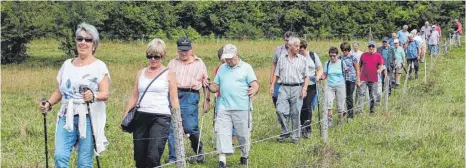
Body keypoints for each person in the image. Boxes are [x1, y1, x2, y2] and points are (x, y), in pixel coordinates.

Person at [38, 22, 110, 167]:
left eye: (88, 39)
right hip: (66, 115)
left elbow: (105, 93)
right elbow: (60, 90)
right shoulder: (67, 64)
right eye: (80, 38)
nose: (83, 42)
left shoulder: (99, 66)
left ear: (94, 45)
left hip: (89, 117)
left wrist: (93, 96)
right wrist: (49, 103)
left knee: (84, 162)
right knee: (60, 155)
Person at [123, 38, 178, 167]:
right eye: (149, 56)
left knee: (153, 156)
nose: (153, 59)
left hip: (161, 117)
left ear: (162, 56)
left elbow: (174, 99)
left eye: (156, 56)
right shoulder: (140, 73)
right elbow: (134, 96)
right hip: (141, 116)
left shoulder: (169, 74)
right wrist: (126, 114)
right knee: (140, 156)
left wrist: (178, 121)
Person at [207, 44, 259, 168]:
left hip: (242, 107)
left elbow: (255, 84)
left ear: (236, 54)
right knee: (222, 132)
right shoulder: (222, 68)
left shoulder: (246, 67)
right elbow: (216, 86)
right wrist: (208, 85)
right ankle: (222, 161)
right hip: (224, 106)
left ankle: (244, 156)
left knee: (243, 135)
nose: (228, 60)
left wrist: (254, 90)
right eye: (226, 58)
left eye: (230, 57)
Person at [167, 37, 210, 163]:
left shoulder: (199, 63)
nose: (184, 53)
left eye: (186, 50)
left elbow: (205, 83)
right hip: (174, 94)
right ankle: (174, 158)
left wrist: (206, 101)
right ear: (177, 49)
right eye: (181, 50)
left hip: (191, 95)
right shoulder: (172, 63)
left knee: (190, 128)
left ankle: (198, 150)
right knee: (172, 127)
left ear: (191, 49)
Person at [270, 37, 309, 143]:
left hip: (298, 87)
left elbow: (306, 76)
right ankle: (285, 131)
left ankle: (296, 137)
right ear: (290, 46)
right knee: (280, 110)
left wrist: (304, 88)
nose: (298, 48)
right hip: (283, 87)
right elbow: (276, 73)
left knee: (296, 112)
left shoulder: (303, 60)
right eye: (296, 46)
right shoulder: (282, 58)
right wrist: (272, 85)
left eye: (299, 46)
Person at [298, 39, 323, 138]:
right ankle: (300, 127)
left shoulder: (312, 55)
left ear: (306, 48)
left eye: (303, 51)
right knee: (300, 106)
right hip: (300, 84)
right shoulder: (297, 57)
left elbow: (320, 68)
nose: (301, 53)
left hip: (311, 84)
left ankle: (307, 128)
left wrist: (318, 76)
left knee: (307, 106)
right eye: (300, 51)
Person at [215, 46, 237, 145]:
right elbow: (216, 84)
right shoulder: (219, 69)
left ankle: (232, 140)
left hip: (235, 98)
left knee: (234, 119)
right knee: (222, 120)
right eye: (222, 60)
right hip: (221, 97)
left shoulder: (240, 67)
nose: (225, 61)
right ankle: (224, 140)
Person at [321, 46, 347, 127]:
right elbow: (325, 74)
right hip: (330, 86)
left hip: (340, 86)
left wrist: (348, 72)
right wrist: (321, 77)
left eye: (334, 56)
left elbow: (346, 71)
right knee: (329, 103)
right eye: (331, 56)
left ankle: (340, 121)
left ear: (337, 55)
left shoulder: (342, 62)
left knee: (340, 105)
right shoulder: (327, 63)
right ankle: (330, 120)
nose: (332, 57)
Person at [358, 41, 384, 114]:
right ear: (368, 47)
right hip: (363, 78)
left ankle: (371, 111)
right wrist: (358, 75)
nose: (371, 48)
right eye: (370, 46)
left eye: (373, 46)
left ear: (375, 47)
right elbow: (359, 65)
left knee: (372, 95)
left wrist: (380, 69)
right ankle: (360, 110)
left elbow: (381, 64)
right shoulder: (363, 55)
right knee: (361, 94)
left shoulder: (378, 55)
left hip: (373, 78)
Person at [270, 31, 294, 107]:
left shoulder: (296, 50)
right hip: (278, 79)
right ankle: (279, 115)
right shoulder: (279, 50)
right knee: (275, 97)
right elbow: (274, 64)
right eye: (286, 40)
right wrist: (271, 80)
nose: (287, 42)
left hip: (290, 80)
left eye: (289, 40)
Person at [339, 42, 360, 121]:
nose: (345, 52)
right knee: (342, 96)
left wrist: (358, 79)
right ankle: (342, 112)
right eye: (343, 50)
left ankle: (350, 115)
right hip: (342, 79)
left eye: (346, 50)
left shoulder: (353, 57)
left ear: (349, 50)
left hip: (351, 79)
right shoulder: (340, 58)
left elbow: (357, 69)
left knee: (349, 97)